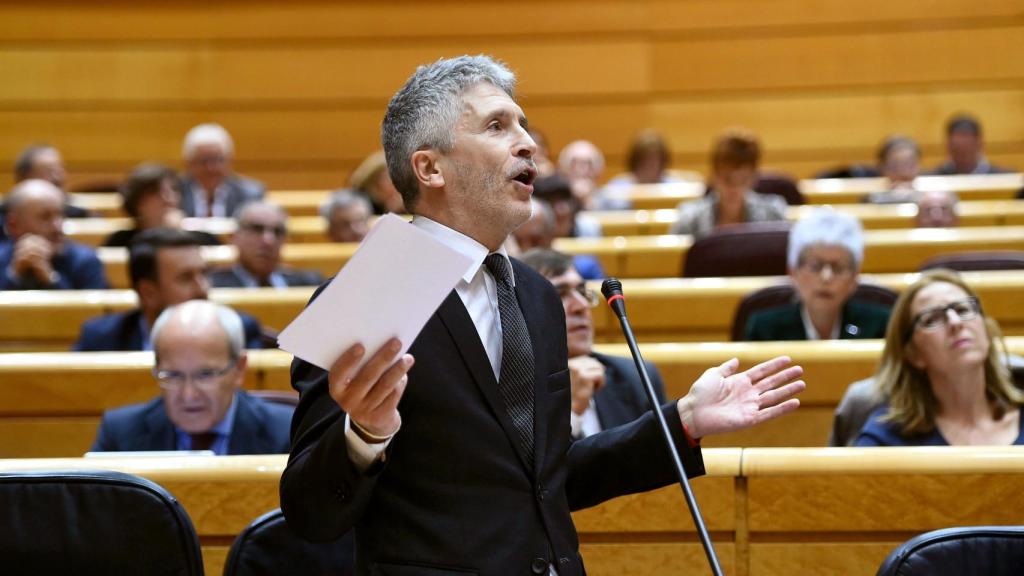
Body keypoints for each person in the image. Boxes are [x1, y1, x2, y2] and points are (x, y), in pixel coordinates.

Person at [280, 55, 805, 575]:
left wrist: (681, 422)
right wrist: (364, 436)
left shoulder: (534, 293)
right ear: (430, 167)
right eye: (496, 125)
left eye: (522, 125)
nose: (528, 142)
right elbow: (310, 514)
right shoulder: (368, 296)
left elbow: (544, 480)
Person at [91, 300, 292, 454]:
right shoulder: (120, 434)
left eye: (205, 375)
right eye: (173, 375)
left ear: (239, 369)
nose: (188, 395)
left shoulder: (287, 434)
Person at [856, 269, 1024, 446]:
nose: (955, 322)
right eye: (932, 319)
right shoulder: (885, 439)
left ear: (986, 331)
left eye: (962, 309)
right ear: (913, 354)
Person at [521, 248, 664, 439]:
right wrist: (572, 414)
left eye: (582, 292)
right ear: (521, 311)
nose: (581, 305)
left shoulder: (635, 377)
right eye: (560, 294)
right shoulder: (512, 390)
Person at [73, 228, 264, 351]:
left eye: (204, 274)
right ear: (148, 293)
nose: (202, 288)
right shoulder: (102, 339)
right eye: (185, 278)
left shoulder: (240, 330)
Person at [744, 207, 890, 341]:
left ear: (854, 278)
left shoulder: (880, 326)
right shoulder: (765, 328)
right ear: (793, 272)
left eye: (839, 268)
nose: (826, 277)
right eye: (815, 266)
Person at [669, 128, 787, 238]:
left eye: (743, 180)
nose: (734, 188)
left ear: (754, 178)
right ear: (714, 176)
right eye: (727, 179)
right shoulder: (690, 218)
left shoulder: (772, 213)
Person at [0, 179, 107, 290]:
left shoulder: (86, 261)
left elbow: (93, 307)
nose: (57, 227)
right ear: (14, 225)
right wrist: (12, 275)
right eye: (45, 217)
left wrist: (52, 279)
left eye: (60, 215)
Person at [207, 201, 323, 288]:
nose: (269, 240)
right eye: (257, 229)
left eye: (278, 232)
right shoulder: (213, 286)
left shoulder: (309, 285)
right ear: (234, 237)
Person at [103, 162, 219, 247]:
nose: (168, 199)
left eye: (173, 190)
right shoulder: (119, 241)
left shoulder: (204, 240)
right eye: (156, 192)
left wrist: (178, 233)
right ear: (137, 202)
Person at [178, 123, 265, 218]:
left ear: (230, 161)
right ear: (189, 163)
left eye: (218, 160)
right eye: (204, 161)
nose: (211, 168)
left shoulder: (250, 194)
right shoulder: (175, 192)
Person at [511, 199, 604, 280]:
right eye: (516, 241)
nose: (526, 249)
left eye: (535, 241)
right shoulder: (502, 279)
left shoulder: (584, 269)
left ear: (551, 236)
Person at [12, 143, 90, 218]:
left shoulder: (80, 214)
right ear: (25, 179)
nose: (58, 178)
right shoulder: (4, 218)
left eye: (59, 170)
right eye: (48, 171)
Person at [930, 114, 1009, 176]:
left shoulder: (1005, 179)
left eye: (967, 152)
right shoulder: (931, 181)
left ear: (980, 145)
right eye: (957, 151)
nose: (963, 159)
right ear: (948, 146)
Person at [865, 135, 921, 204]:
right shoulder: (870, 198)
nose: (903, 172)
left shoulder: (930, 196)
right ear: (881, 167)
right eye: (895, 166)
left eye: (909, 165)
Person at [348, 150, 405, 215]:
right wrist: (390, 212)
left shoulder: (404, 204)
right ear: (374, 182)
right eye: (391, 178)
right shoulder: (356, 205)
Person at [557, 139, 606, 210]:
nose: (581, 170)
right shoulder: (555, 200)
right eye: (574, 164)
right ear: (562, 170)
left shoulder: (610, 199)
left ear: (599, 171)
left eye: (589, 164)